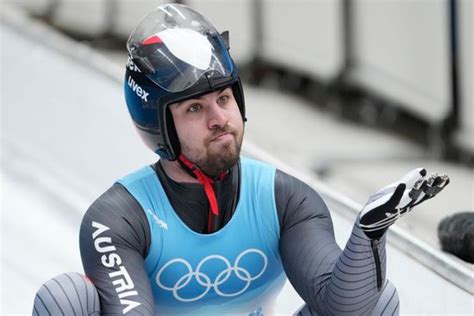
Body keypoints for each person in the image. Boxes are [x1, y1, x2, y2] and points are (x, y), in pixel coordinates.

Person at [33, 3, 449, 315]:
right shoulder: (118, 217)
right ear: (158, 126)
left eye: (225, 98)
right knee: (68, 299)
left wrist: (368, 236)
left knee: (379, 301)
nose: (220, 120)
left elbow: (344, 307)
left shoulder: (286, 199)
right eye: (195, 108)